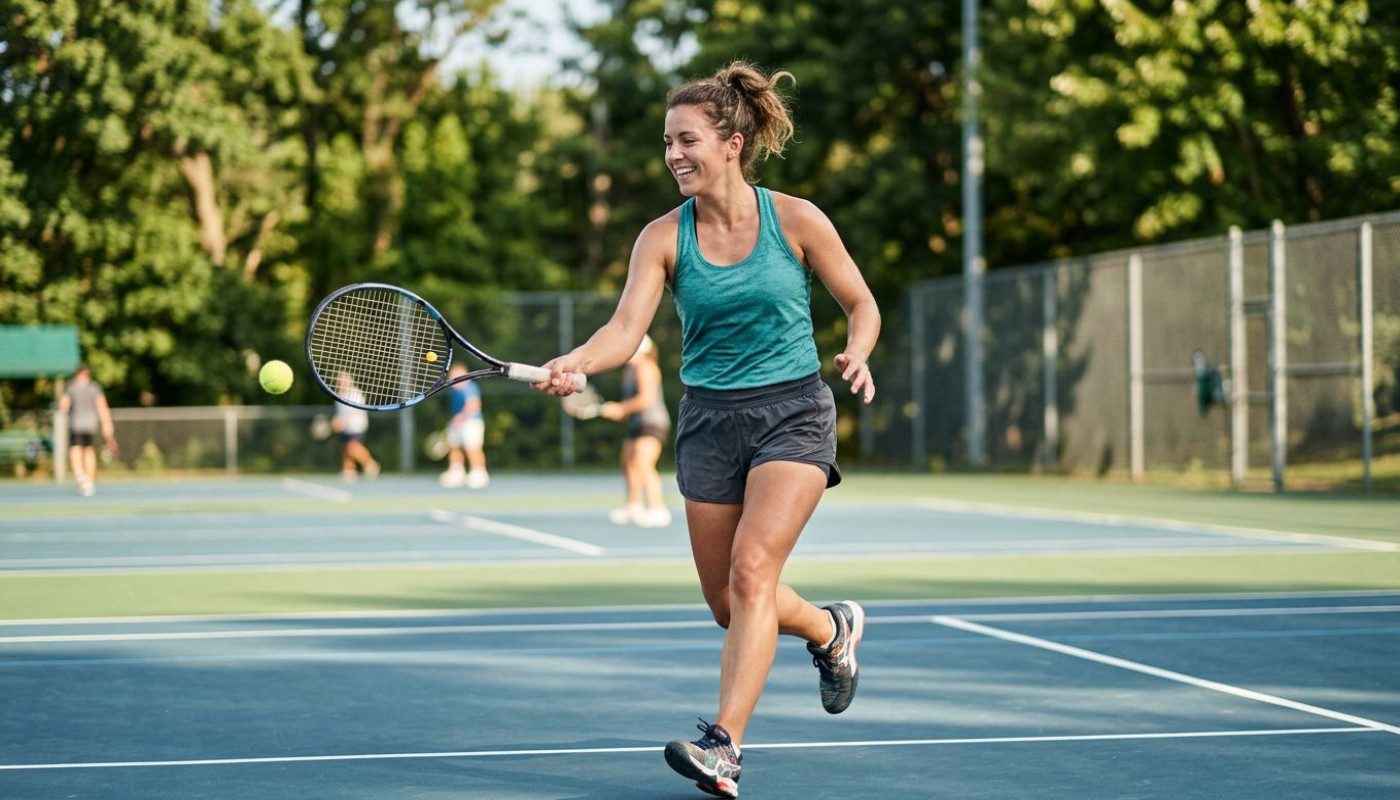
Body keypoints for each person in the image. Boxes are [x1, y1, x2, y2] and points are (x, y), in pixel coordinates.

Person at [534, 61, 879, 798]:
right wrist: (577, 362)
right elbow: (623, 332)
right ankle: (828, 629)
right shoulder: (662, 237)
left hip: (792, 412)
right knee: (729, 603)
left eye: (687, 140)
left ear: (733, 142)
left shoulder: (797, 219)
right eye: (666, 144)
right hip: (710, 422)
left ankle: (724, 746)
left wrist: (858, 348)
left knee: (754, 572)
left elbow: (862, 301)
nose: (673, 156)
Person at [600, 334, 672, 527]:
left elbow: (646, 399)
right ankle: (633, 506)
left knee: (643, 463)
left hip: (652, 422)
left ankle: (658, 509)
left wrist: (621, 408)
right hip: (636, 422)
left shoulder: (646, 368)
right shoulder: (631, 370)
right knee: (629, 462)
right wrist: (618, 411)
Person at [58, 364, 116, 497]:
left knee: (76, 448)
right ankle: (89, 481)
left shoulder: (71, 387)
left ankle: (80, 475)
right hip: (91, 425)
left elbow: (63, 406)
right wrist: (107, 424)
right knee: (89, 449)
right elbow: (102, 406)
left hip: (77, 424)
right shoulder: (94, 387)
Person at [439, 364, 489, 489]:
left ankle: (479, 474)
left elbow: (474, 406)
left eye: (458, 374)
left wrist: (460, 418)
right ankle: (457, 473)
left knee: (473, 448)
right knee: (454, 447)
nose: (455, 377)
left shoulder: (469, 387)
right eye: (453, 374)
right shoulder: (454, 390)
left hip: (471, 422)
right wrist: (456, 420)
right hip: (456, 423)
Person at [332, 372, 379, 482]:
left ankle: (370, 464)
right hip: (346, 427)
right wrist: (337, 421)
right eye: (340, 381)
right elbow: (341, 413)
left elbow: (354, 411)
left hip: (357, 426)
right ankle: (349, 470)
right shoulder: (338, 395)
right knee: (344, 448)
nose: (341, 383)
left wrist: (342, 422)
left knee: (352, 447)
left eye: (344, 381)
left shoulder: (355, 394)